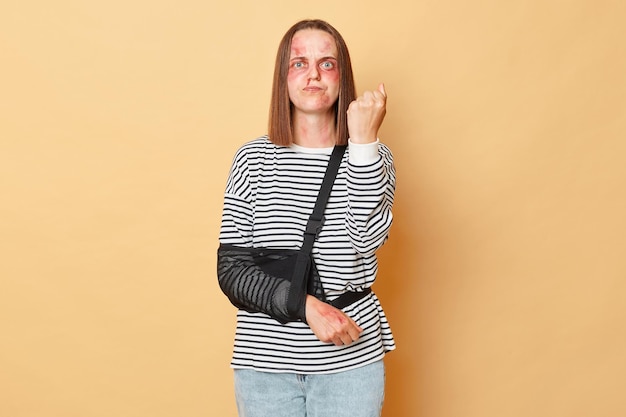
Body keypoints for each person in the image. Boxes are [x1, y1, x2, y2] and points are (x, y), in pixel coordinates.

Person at [217, 19, 396, 417]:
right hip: (264, 366)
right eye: (299, 63)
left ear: (342, 77)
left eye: (326, 63)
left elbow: (364, 241)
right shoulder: (252, 159)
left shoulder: (374, 158)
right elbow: (231, 271)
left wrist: (364, 144)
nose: (313, 74)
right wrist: (307, 307)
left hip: (351, 363)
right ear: (283, 78)